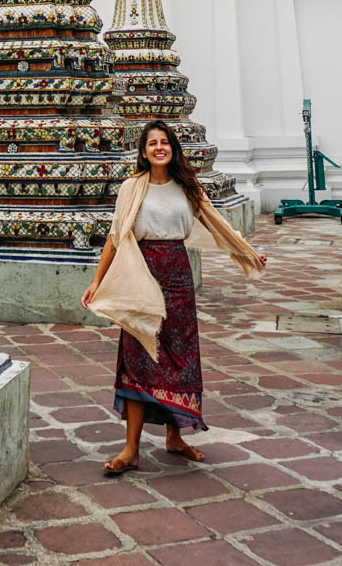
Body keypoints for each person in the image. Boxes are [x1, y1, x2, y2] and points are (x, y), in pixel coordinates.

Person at [81, 120, 267, 474]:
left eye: (164, 142)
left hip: (178, 277)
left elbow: (218, 224)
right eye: (152, 143)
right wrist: (96, 280)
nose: (159, 148)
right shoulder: (131, 188)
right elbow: (116, 236)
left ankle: (175, 437)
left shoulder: (188, 188)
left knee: (180, 359)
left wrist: (248, 254)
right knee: (139, 358)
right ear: (143, 151)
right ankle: (130, 449)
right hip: (142, 275)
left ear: (173, 148)